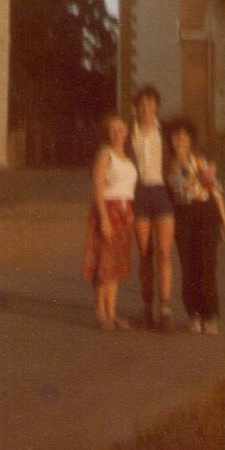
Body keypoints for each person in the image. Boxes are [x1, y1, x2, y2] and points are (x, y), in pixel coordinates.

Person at [167, 118, 225, 334]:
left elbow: (215, 190)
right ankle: (193, 314)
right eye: (176, 136)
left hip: (205, 213)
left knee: (207, 265)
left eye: (184, 136)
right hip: (182, 216)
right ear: (171, 140)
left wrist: (224, 220)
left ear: (191, 139)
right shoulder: (168, 165)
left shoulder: (201, 161)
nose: (180, 140)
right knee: (188, 266)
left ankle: (210, 315)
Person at [81, 113, 137, 331]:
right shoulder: (105, 154)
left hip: (125, 211)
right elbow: (97, 187)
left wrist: (130, 213)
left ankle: (112, 313)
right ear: (107, 133)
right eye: (113, 129)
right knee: (104, 264)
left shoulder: (128, 157)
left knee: (116, 266)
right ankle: (100, 313)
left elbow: (129, 189)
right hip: (108, 210)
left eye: (121, 129)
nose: (117, 133)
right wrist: (104, 219)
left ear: (127, 132)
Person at [130, 84, 175, 330]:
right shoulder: (129, 134)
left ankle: (165, 308)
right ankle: (147, 308)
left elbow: (182, 153)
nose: (146, 108)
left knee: (165, 253)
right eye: (141, 104)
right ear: (135, 107)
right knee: (145, 254)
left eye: (150, 104)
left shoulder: (166, 131)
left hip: (161, 192)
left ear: (156, 106)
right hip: (140, 193)